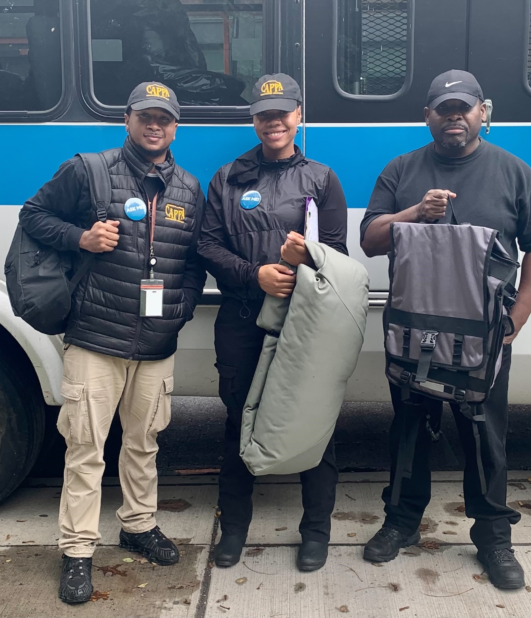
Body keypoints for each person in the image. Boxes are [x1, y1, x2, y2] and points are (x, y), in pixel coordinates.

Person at [359, 70, 531, 590]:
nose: (455, 116)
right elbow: (370, 240)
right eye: (443, 108)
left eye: (464, 107)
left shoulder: (514, 173)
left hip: (484, 339)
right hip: (415, 336)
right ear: (427, 116)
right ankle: (402, 523)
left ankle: (494, 536)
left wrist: (518, 315)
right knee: (408, 430)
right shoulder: (401, 170)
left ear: (482, 113)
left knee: (484, 435)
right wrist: (415, 212)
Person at [19, 82, 206, 604]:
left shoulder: (190, 189)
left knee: (144, 444)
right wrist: (80, 237)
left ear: (175, 127)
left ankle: (138, 525)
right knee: (85, 450)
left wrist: (180, 309)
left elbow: (194, 262)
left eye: (164, 119)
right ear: (127, 119)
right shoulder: (89, 170)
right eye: (145, 116)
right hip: (95, 340)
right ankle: (78, 551)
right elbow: (34, 215)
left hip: (155, 346)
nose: (154, 126)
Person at [198, 73, 348, 572]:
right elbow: (206, 245)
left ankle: (316, 533)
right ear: (254, 120)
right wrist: (254, 274)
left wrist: (308, 257)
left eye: (282, 112)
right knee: (239, 421)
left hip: (302, 327)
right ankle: (235, 528)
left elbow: (339, 257)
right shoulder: (227, 178)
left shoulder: (323, 179)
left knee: (314, 424)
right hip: (242, 318)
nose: (273, 121)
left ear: (298, 116)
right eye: (264, 114)